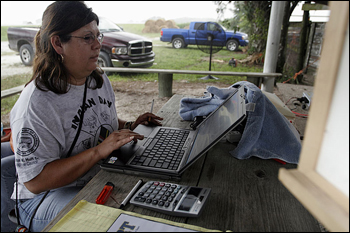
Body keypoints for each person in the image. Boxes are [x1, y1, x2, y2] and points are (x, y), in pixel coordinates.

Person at [3, 2, 163, 232]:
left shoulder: (97, 79)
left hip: (94, 177)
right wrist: (99, 151)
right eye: (87, 38)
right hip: (42, 198)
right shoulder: (37, 104)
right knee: (112, 219)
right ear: (58, 43)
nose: (98, 45)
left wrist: (129, 125)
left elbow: (97, 120)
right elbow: (35, 181)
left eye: (99, 36)